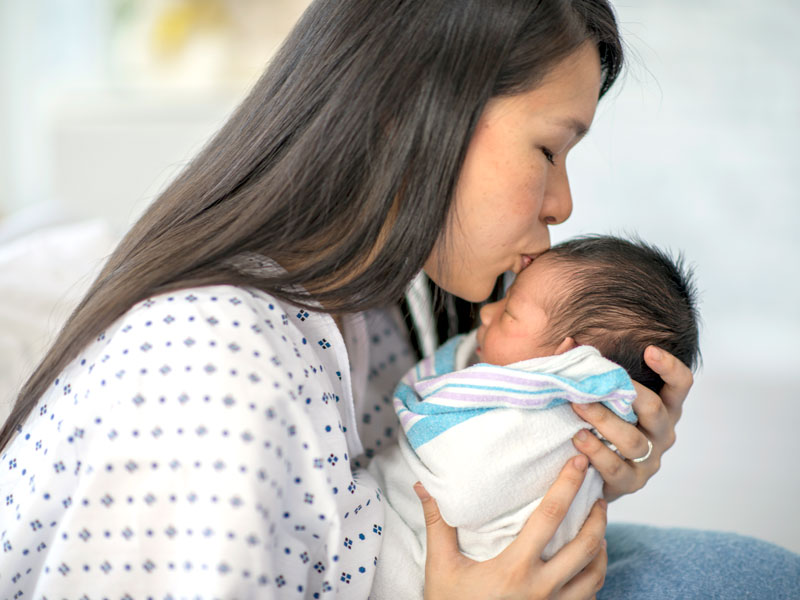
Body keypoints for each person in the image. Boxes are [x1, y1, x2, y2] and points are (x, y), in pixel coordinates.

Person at [0, 1, 797, 598]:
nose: (563, 205)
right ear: (412, 115)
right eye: (549, 148)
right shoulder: (215, 371)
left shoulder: (386, 299)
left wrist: (567, 460)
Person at [368, 235, 701, 599]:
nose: (486, 312)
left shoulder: (559, 421)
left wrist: (606, 479)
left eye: (509, 312)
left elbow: (467, 492)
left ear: (565, 362)